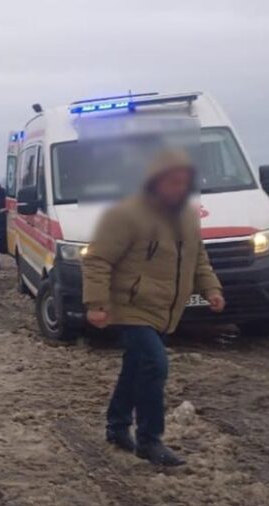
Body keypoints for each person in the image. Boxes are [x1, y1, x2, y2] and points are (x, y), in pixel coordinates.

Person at [82, 149, 225, 467]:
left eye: (184, 181)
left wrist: (211, 288)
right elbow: (97, 259)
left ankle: (117, 426)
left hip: (164, 308)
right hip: (131, 306)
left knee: (136, 366)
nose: (179, 187)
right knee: (155, 364)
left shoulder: (188, 214)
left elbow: (197, 258)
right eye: (173, 181)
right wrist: (96, 304)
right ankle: (149, 440)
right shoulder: (126, 215)